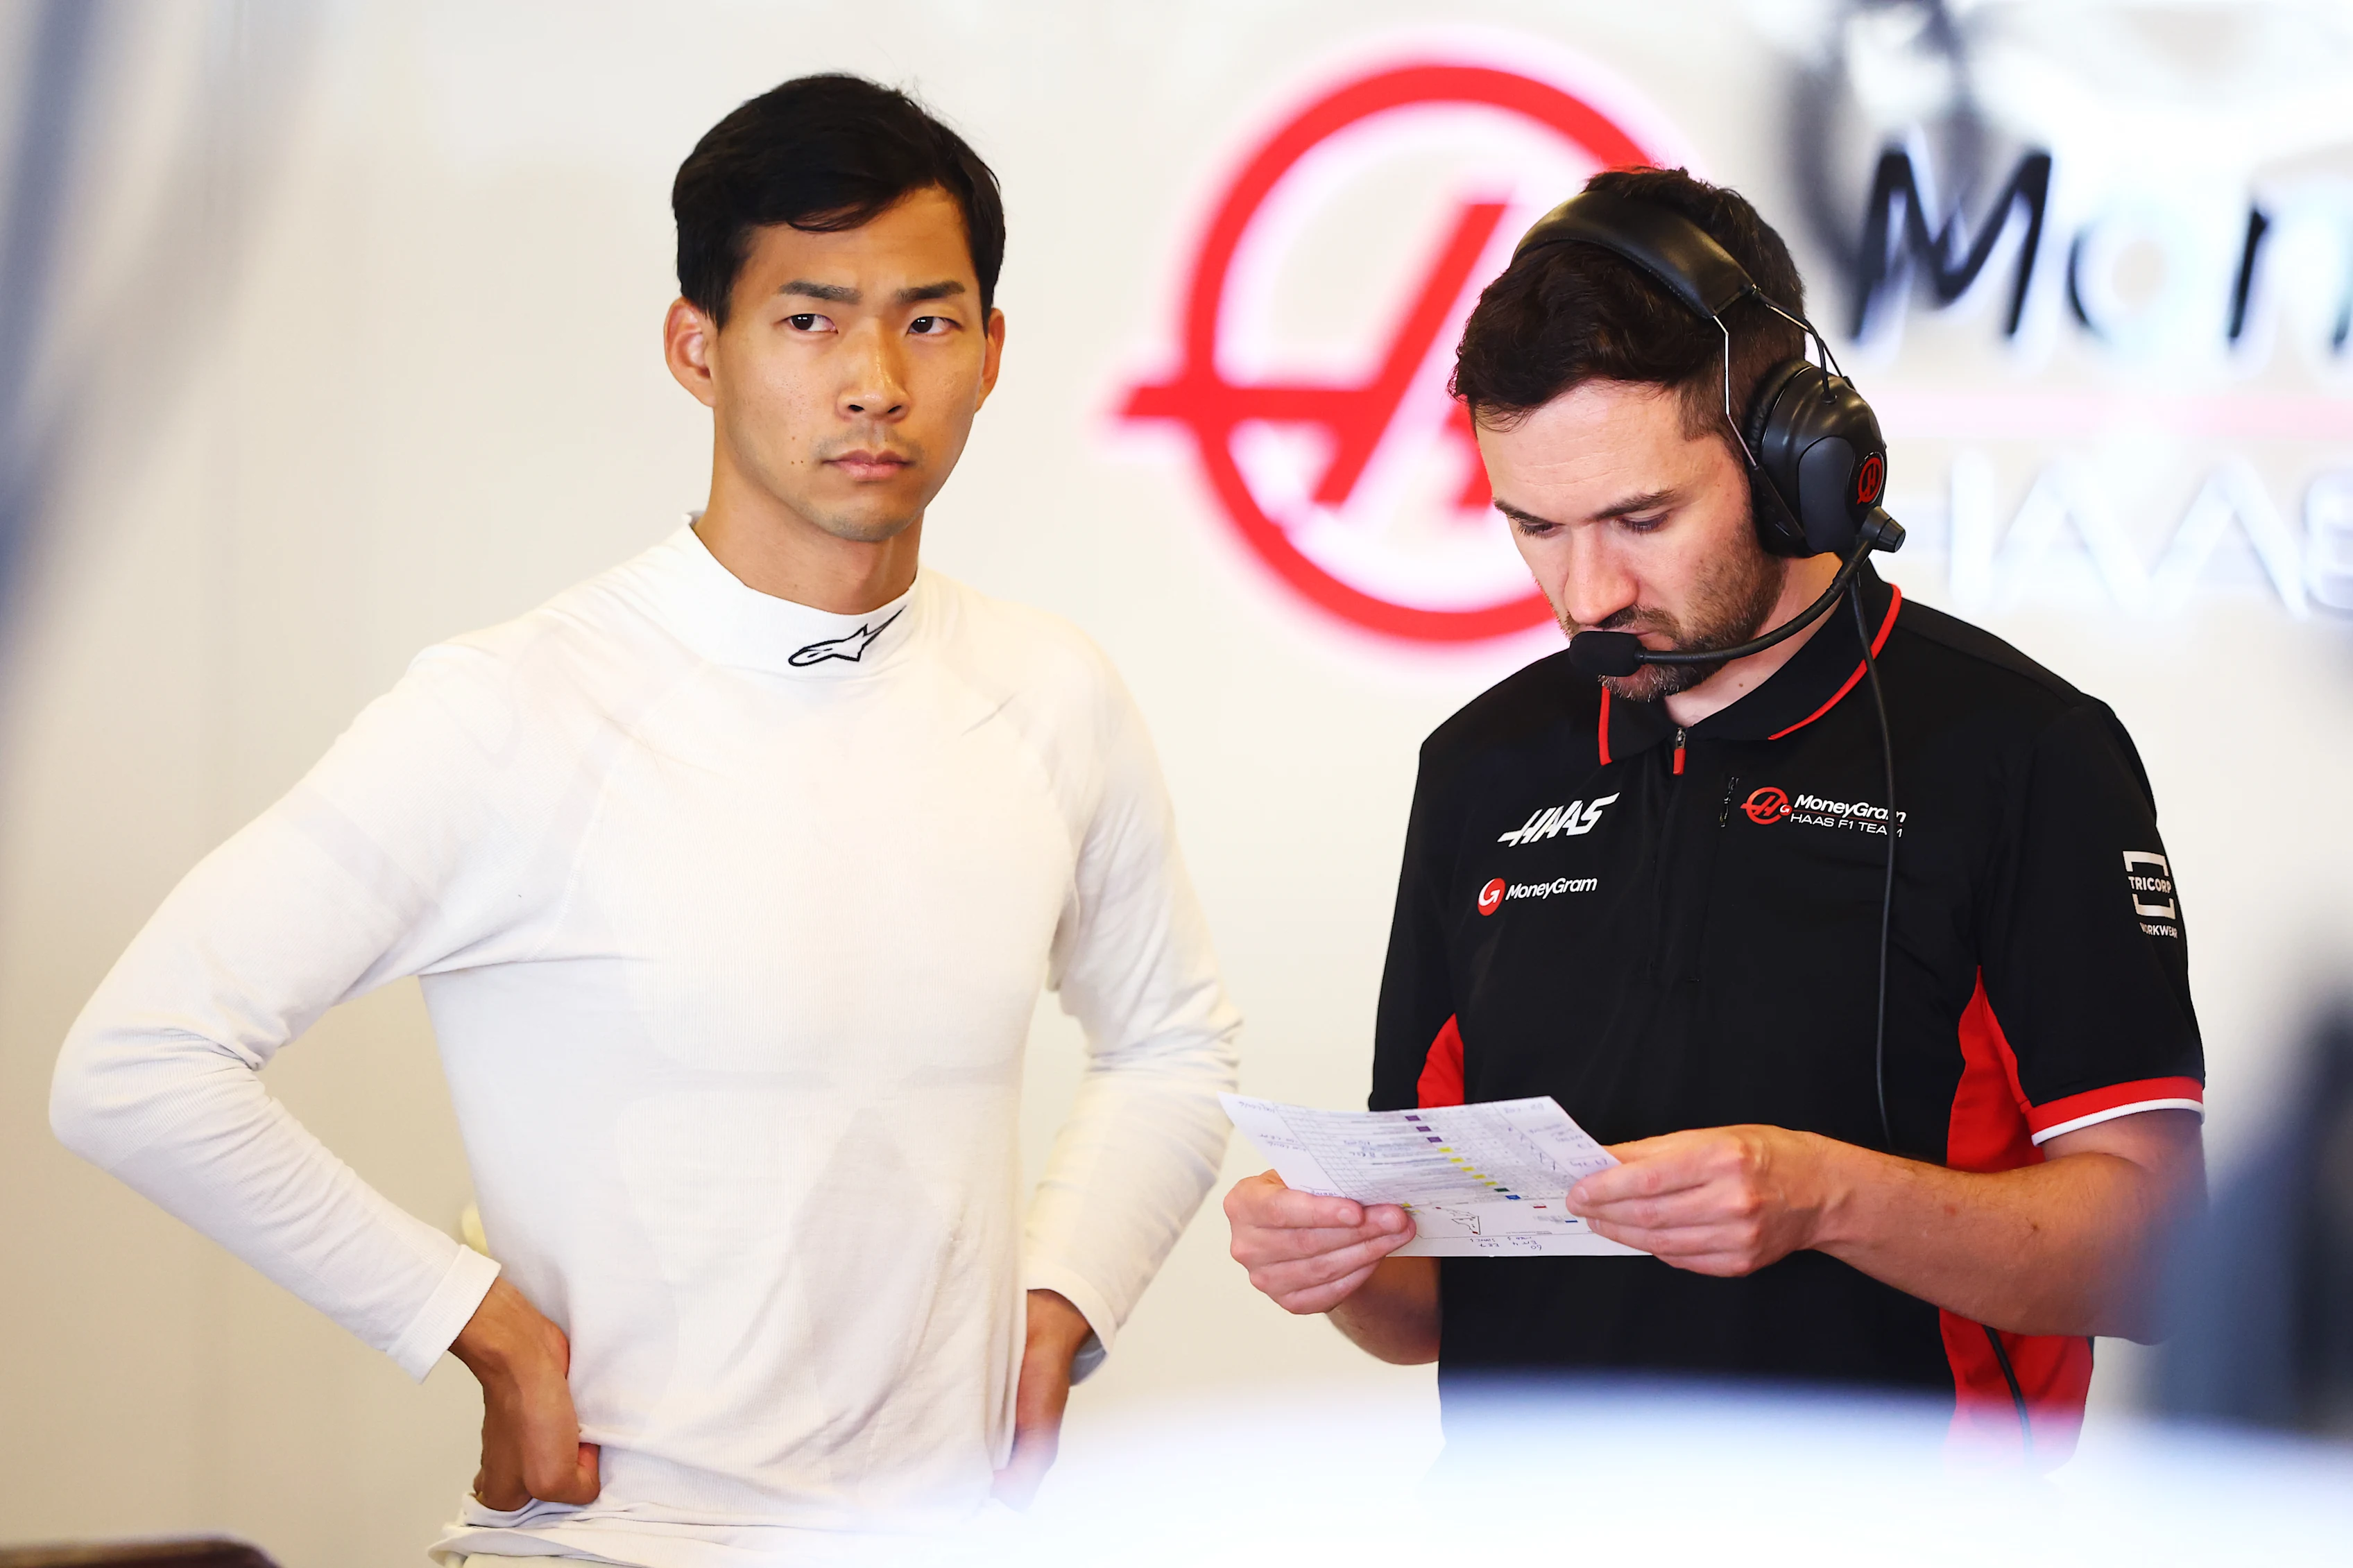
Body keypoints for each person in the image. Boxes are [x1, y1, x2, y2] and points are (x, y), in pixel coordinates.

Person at [51, 74, 1240, 1563]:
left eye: (928, 320)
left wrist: (1064, 1300)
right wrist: (474, 1324)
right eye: (809, 318)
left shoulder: (1048, 691)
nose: (876, 376)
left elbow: (1173, 1041)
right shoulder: (510, 706)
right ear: (699, 347)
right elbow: (135, 1063)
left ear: (992, 353)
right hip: (610, 1542)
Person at [1224, 166, 2205, 1463]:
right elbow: (1430, 1309)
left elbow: (2160, 1256)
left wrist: (1829, 1199)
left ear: (1798, 462)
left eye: (1641, 517)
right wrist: (1340, 1260)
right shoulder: (1482, 766)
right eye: (1535, 526)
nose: (1588, 592)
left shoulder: (2023, 752)